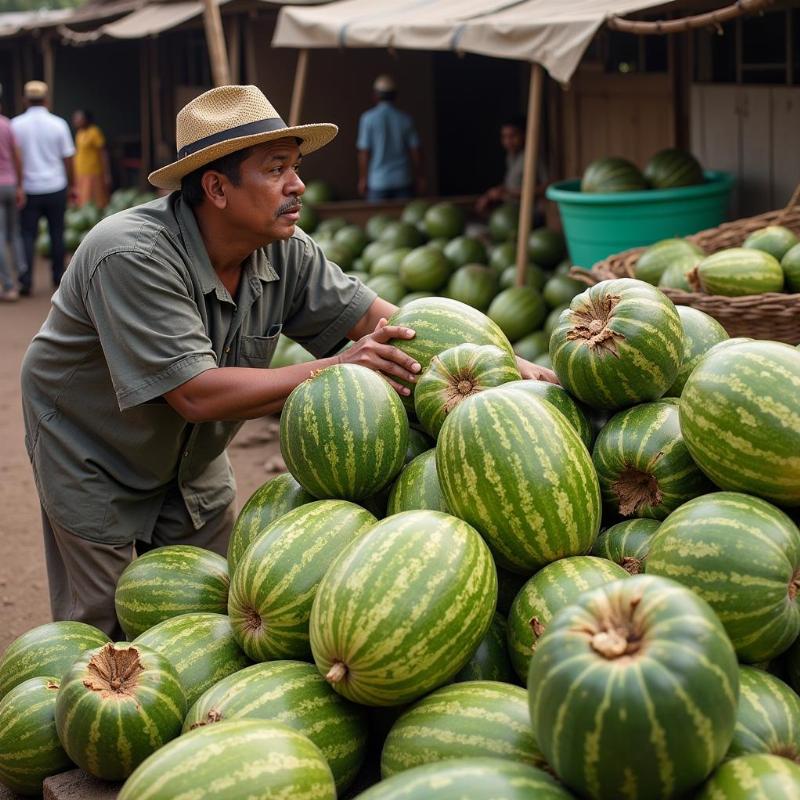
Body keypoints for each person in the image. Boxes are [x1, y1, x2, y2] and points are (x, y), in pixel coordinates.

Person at [21, 85, 555, 639]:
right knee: (110, 627)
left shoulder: (285, 249)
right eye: (276, 169)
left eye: (296, 168)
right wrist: (343, 367)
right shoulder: (131, 254)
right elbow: (195, 394)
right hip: (93, 447)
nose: (297, 184)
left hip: (191, 454)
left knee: (211, 615)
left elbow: (390, 324)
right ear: (217, 187)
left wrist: (506, 364)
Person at [12, 80, 75, 296]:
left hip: (28, 188)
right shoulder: (58, 124)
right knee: (57, 231)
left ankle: (26, 280)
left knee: (27, 234)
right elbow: (68, 157)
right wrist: (71, 183)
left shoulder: (16, 125)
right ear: (47, 99)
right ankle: (58, 276)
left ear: (25, 100)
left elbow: (14, 159)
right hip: (56, 185)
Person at [357, 75, 425, 201]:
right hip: (402, 179)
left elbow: (364, 152)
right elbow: (415, 151)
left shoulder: (368, 119)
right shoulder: (405, 119)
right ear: (395, 96)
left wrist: (363, 179)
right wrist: (420, 177)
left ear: (375, 95)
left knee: (377, 220)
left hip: (378, 181)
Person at [476, 116, 546, 217]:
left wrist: (509, 194)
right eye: (504, 137)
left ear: (524, 135)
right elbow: (510, 183)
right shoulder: (511, 156)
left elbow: (546, 187)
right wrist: (490, 195)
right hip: (510, 209)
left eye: (513, 136)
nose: (508, 141)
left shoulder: (534, 156)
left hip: (530, 213)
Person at [0, 97, 25, 302]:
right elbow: (17, 156)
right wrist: (19, 185)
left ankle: (9, 286)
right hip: (10, 184)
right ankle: (23, 274)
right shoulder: (7, 124)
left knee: (0, 236)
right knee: (14, 233)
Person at [72, 109, 111, 209]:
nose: (76, 120)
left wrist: (107, 173)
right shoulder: (79, 133)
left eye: (79, 118)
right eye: (75, 118)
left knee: (96, 200)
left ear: (86, 119)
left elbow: (103, 152)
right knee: (82, 200)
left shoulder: (94, 132)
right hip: (80, 172)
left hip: (93, 172)